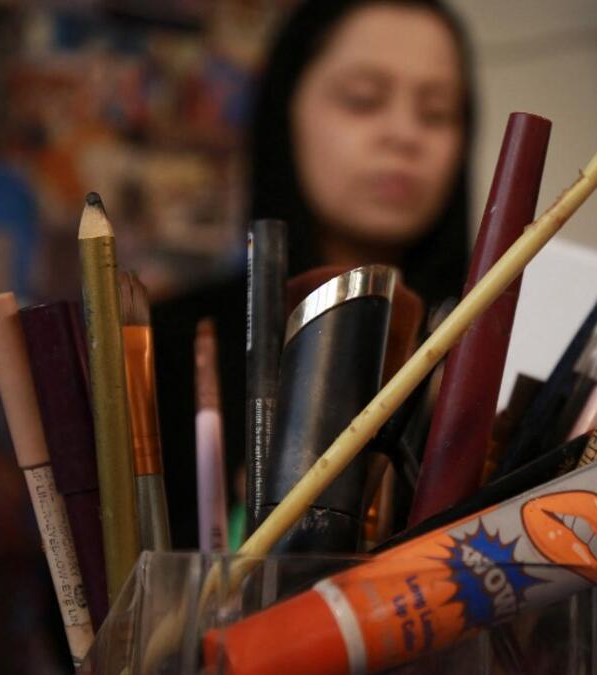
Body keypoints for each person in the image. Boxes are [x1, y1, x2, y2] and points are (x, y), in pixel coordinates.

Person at [153, 0, 475, 551]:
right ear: (284, 114)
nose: (403, 134)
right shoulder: (168, 345)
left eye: (436, 112)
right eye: (363, 100)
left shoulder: (485, 353)